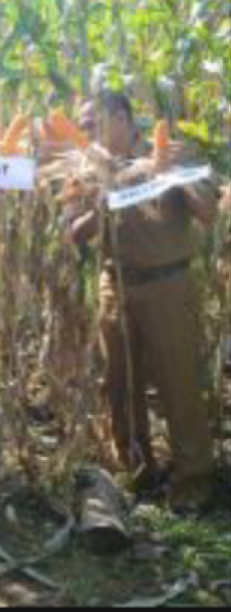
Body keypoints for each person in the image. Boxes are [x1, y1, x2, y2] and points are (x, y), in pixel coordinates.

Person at [68, 90, 218, 513]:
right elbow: (73, 233)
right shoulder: (88, 167)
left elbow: (208, 213)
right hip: (114, 285)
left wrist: (171, 174)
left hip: (168, 284)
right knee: (120, 383)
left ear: (121, 117)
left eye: (91, 124)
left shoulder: (173, 153)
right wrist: (102, 200)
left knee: (177, 381)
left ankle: (194, 478)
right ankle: (137, 471)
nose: (85, 135)